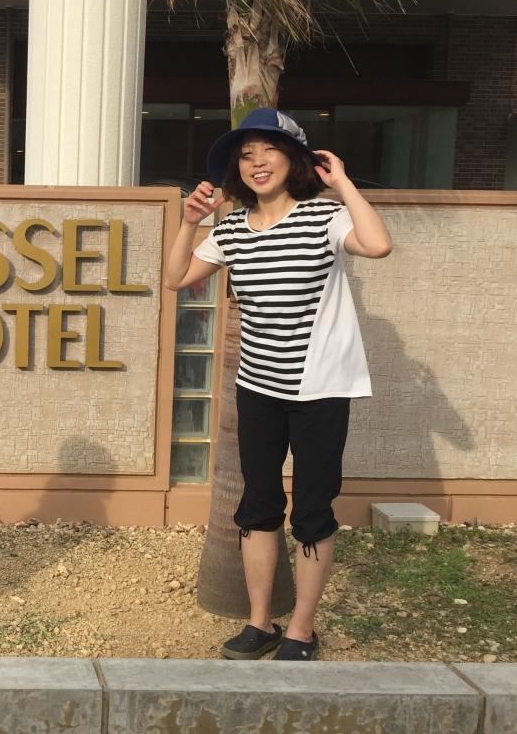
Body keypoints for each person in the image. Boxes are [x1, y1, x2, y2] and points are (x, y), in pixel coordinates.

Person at [163, 109, 392, 662]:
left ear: (295, 159)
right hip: (257, 386)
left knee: (312, 510)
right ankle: (260, 622)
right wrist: (191, 222)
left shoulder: (323, 217)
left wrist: (343, 183)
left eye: (270, 150)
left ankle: (301, 632)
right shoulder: (232, 230)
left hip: (320, 389)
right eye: (246, 154)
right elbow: (176, 279)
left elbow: (378, 244)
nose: (258, 162)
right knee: (258, 505)